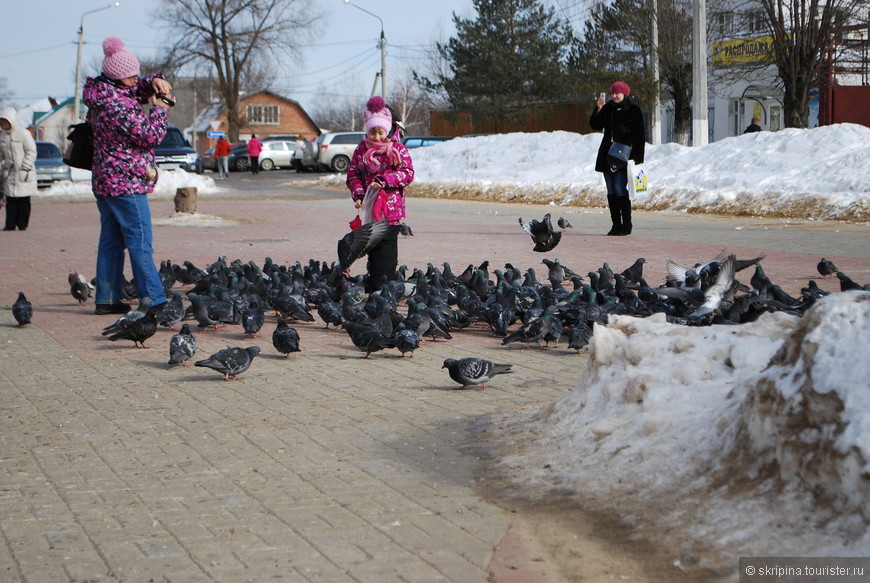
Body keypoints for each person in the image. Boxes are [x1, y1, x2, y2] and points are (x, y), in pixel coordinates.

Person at [82, 36, 171, 315]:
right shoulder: (117, 105)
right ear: (118, 79)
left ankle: (107, 298)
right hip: (126, 183)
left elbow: (136, 90)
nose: (136, 81)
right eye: (132, 78)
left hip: (106, 181)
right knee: (140, 241)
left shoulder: (106, 93)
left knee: (111, 242)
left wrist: (154, 80)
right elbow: (149, 135)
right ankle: (153, 299)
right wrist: (160, 109)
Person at [346, 96, 415, 292]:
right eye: (372, 132)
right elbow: (353, 174)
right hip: (369, 210)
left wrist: (384, 180)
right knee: (373, 252)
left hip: (391, 212)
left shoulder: (398, 149)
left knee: (386, 254)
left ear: (388, 130)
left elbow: (407, 174)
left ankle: (383, 289)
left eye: (380, 132)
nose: (376, 137)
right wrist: (358, 194)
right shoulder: (361, 150)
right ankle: (377, 285)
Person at [590, 81, 646, 236]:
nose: (614, 96)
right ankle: (616, 225)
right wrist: (598, 109)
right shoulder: (608, 108)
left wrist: (637, 158)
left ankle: (626, 225)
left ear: (625, 93)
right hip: (607, 155)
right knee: (611, 190)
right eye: (612, 93)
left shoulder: (633, 110)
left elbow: (640, 136)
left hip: (624, 156)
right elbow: (595, 124)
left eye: (617, 93)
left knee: (620, 188)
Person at [0, 107, 37, 231]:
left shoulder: (23, 133)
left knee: (23, 200)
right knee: (10, 199)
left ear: (12, 121)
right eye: (2, 123)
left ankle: (22, 224)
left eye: (6, 122)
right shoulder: (2, 136)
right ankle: (10, 224)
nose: (4, 125)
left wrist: (25, 167)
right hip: (9, 172)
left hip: (23, 171)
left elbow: (31, 151)